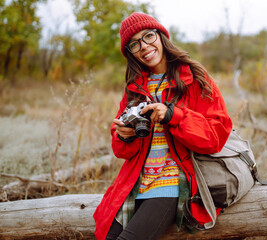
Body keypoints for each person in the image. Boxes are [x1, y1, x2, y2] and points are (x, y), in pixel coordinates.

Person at [93, 12, 232, 240]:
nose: (144, 47)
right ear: (130, 53)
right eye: (134, 44)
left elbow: (216, 135)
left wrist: (173, 115)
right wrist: (125, 136)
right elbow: (121, 150)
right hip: (136, 181)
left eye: (148, 36)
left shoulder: (194, 77)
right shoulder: (135, 87)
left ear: (161, 36)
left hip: (173, 181)